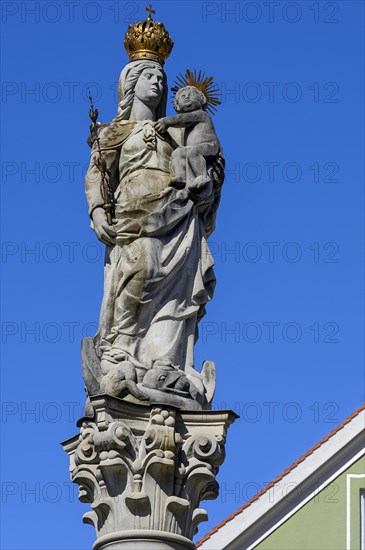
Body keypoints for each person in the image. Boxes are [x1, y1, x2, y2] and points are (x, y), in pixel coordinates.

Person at [84, 59, 223, 396]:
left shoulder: (176, 131)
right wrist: (99, 210)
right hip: (135, 211)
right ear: (130, 85)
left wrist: (212, 175)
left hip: (177, 209)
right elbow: (98, 174)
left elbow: (203, 159)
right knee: (141, 266)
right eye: (149, 76)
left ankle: (165, 361)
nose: (158, 83)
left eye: (161, 77)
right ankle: (122, 347)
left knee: (177, 292)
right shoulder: (115, 132)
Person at [155, 85, 220, 194]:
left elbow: (184, 119)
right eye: (182, 96)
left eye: (190, 95)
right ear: (177, 105)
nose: (186, 98)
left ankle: (202, 176)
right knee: (178, 152)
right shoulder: (187, 125)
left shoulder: (202, 115)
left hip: (210, 146)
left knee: (194, 153)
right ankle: (181, 177)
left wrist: (167, 121)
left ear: (201, 99)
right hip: (193, 148)